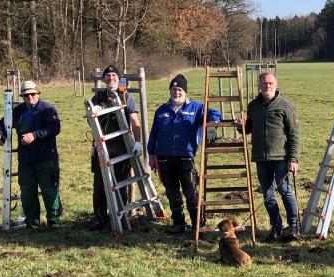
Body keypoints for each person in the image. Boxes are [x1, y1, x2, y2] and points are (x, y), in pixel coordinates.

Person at [147, 74, 221, 234]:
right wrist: (151, 154)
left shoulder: (196, 108)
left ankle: (197, 225)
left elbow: (215, 114)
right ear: (170, 91)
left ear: (185, 91)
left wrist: (211, 126)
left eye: (179, 89)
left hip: (185, 156)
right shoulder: (161, 110)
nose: (176, 93)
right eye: (173, 89)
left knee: (190, 192)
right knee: (172, 192)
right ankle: (178, 223)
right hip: (164, 157)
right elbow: (154, 134)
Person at [239, 72, 300, 242]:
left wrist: (293, 159)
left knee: (285, 191)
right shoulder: (253, 106)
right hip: (261, 158)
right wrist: (241, 126)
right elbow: (248, 129)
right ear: (259, 84)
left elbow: (294, 134)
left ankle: (294, 226)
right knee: (267, 195)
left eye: (270, 83)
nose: (267, 86)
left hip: (281, 157)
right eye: (264, 83)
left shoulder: (285, 106)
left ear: (276, 84)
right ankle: (276, 227)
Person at [0, 80, 62, 228]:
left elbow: (54, 128)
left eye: (32, 94)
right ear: (23, 97)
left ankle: (54, 221)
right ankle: (32, 223)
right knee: (28, 192)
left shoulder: (48, 109)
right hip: (26, 160)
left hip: (46, 158)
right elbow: (3, 124)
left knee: (49, 190)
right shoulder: (18, 111)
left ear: (38, 94)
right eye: (26, 95)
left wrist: (35, 135)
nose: (30, 97)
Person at [87, 65, 142, 231]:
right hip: (102, 144)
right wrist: (92, 112)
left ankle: (121, 215)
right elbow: (90, 121)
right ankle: (99, 218)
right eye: (108, 76)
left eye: (113, 76)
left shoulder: (126, 96)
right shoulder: (98, 98)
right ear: (104, 79)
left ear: (118, 79)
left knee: (121, 182)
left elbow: (134, 121)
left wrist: (138, 141)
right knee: (100, 183)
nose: (111, 78)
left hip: (121, 144)